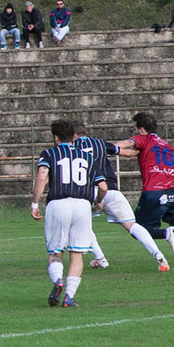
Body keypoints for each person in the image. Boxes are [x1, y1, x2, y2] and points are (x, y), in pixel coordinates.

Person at [71, 120, 168, 272]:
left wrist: (98, 200)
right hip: (112, 190)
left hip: (88, 191)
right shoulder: (99, 143)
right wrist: (145, 149)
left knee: (79, 224)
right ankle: (158, 254)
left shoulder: (71, 148)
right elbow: (128, 153)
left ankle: (100, 259)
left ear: (73, 135)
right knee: (132, 225)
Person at [31, 120, 106, 308]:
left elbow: (42, 177)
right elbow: (103, 186)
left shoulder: (49, 153)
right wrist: (99, 201)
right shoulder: (88, 156)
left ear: (55, 138)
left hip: (58, 204)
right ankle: (69, 297)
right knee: (77, 253)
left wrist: (34, 204)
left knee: (56, 251)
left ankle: (57, 280)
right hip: (82, 205)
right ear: (74, 136)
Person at [115, 113, 174, 266]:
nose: (135, 132)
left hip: (153, 191)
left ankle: (165, 233)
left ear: (142, 129)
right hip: (171, 189)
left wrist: (104, 148)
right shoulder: (167, 146)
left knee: (137, 229)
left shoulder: (144, 139)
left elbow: (124, 144)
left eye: (135, 128)